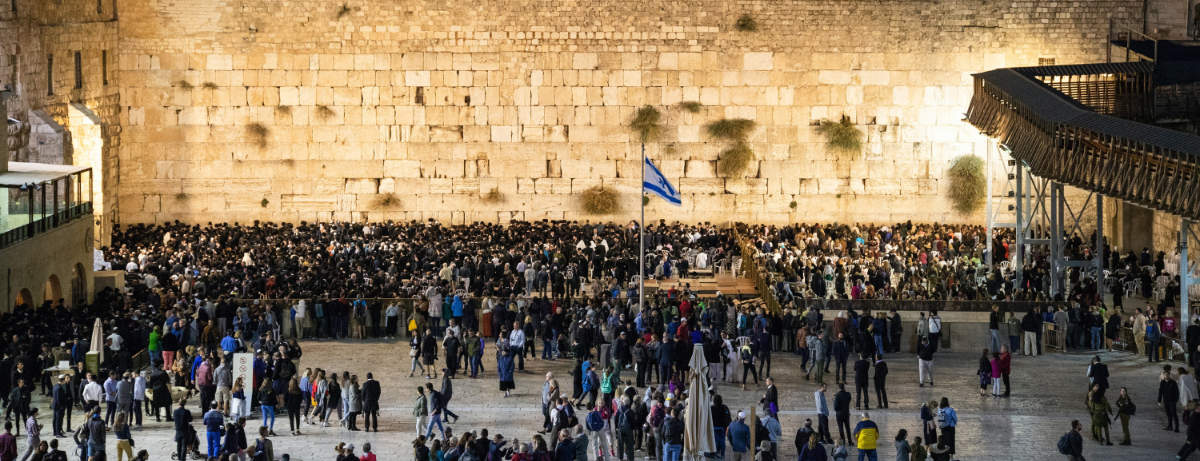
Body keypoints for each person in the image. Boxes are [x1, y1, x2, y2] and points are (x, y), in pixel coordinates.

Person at [1159, 367, 1181, 432]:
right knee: (1168, 414)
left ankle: (1177, 427)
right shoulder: (1162, 382)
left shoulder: (1173, 382)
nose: (1166, 376)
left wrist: (1175, 400)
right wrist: (1159, 400)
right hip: (1166, 401)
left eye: (1167, 375)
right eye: (1165, 375)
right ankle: (1170, 426)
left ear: (1169, 375)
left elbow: (1177, 392)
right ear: (1164, 375)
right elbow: (1160, 391)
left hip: (1172, 401)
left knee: (1174, 414)